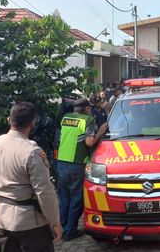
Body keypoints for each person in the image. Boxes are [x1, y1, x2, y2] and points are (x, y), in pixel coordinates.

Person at [0, 102, 62, 251]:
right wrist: (54, 222)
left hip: (2, 216)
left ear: (8, 120)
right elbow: (45, 192)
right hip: (30, 223)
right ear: (33, 123)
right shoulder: (32, 151)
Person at [56, 98, 107, 241]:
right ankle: (70, 231)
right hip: (77, 162)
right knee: (77, 198)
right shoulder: (88, 119)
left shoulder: (66, 117)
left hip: (61, 161)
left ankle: (62, 225)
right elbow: (89, 142)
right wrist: (100, 132)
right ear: (87, 109)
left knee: (64, 197)